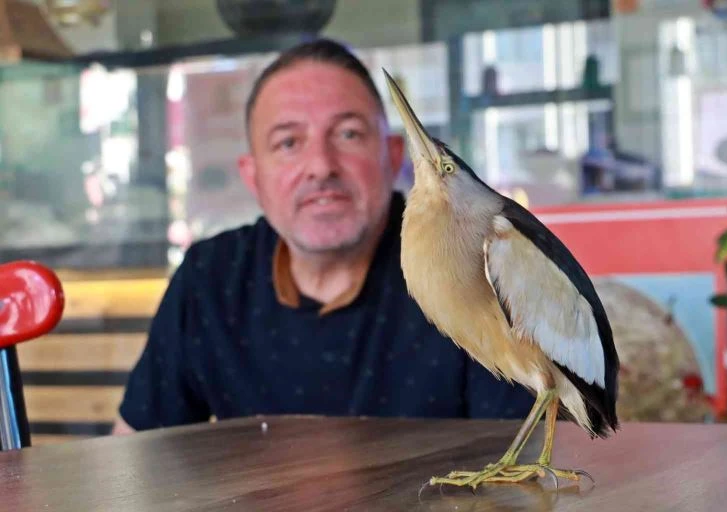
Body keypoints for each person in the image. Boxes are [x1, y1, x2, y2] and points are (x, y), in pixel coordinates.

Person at [112, 38, 534, 434]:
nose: (321, 165)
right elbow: (134, 454)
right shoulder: (210, 277)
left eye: (348, 134)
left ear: (392, 157)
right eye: (288, 142)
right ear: (252, 176)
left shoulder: (474, 269)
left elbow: (526, 475)